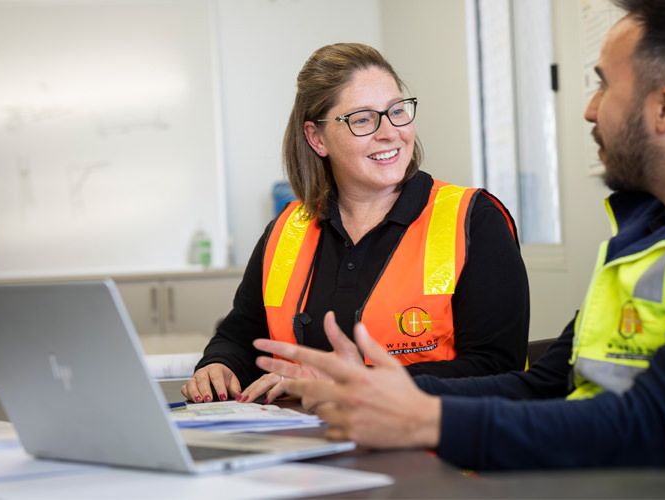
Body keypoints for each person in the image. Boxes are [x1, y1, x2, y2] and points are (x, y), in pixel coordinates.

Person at [252, 1, 665, 498]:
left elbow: (656, 427)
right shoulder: (648, 234)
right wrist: (386, 392)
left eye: (602, 86)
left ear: (664, 110)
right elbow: (546, 385)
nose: (589, 110)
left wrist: (426, 419)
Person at [182, 43, 529, 405]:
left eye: (397, 111)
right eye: (363, 119)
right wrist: (219, 365)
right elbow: (240, 337)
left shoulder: (475, 219)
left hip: (437, 450)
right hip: (301, 444)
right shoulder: (288, 228)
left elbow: (496, 367)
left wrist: (344, 382)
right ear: (317, 138)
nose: (390, 132)